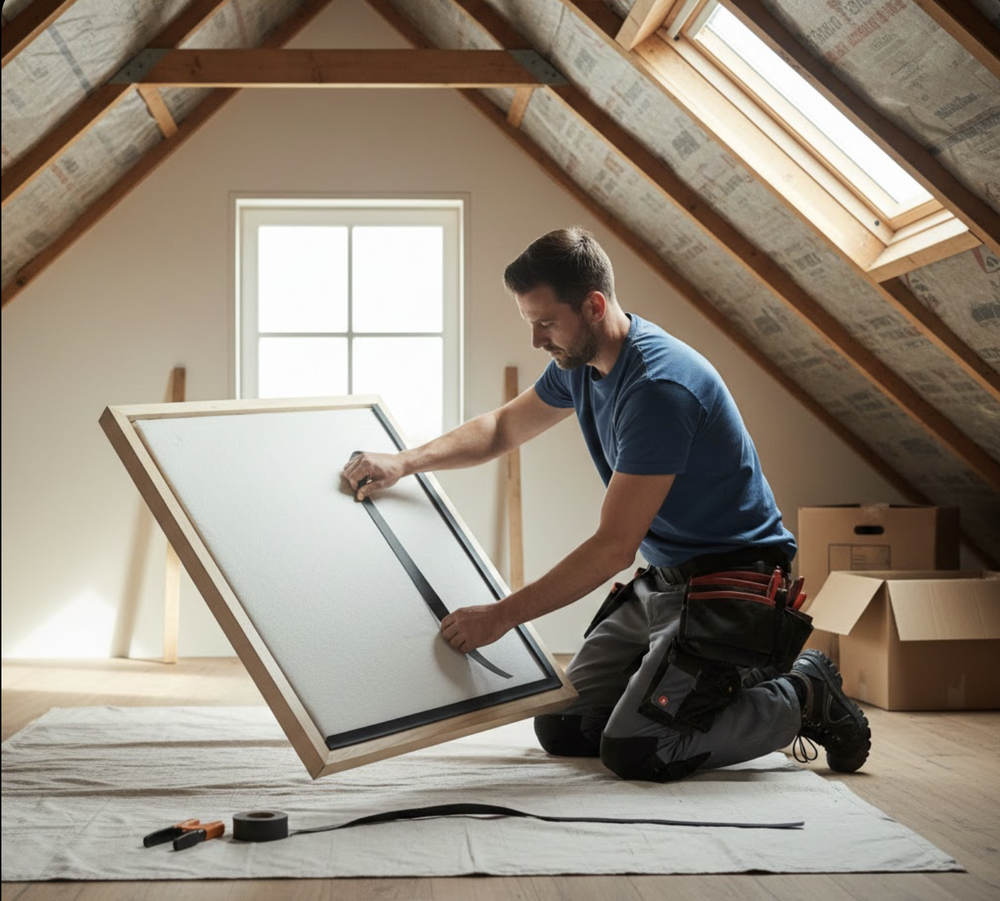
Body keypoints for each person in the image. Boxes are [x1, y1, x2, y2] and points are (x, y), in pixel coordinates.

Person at [343, 227, 871, 782]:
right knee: (567, 727)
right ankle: (717, 683)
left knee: (640, 749)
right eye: (531, 323)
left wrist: (500, 616)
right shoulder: (581, 366)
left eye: (546, 323)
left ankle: (803, 691)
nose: (537, 340)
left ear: (593, 306)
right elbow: (500, 428)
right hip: (668, 582)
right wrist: (404, 462)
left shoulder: (658, 389)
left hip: (733, 585)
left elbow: (613, 548)